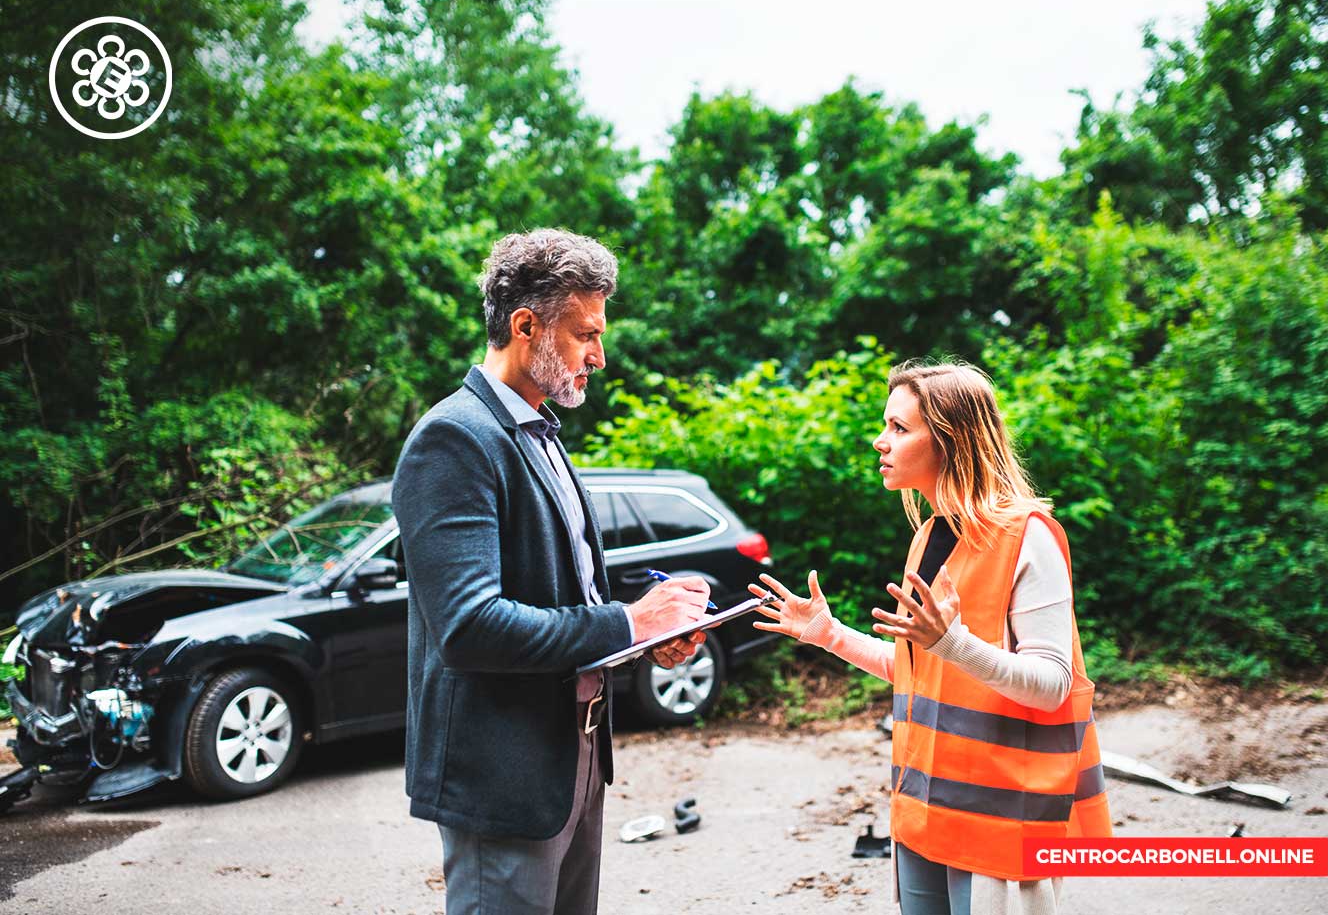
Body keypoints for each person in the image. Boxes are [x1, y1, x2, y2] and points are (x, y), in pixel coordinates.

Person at [391, 228, 709, 915]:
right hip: (503, 777)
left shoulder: (540, 431)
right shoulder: (453, 440)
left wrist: (650, 630)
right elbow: (471, 628)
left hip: (576, 760)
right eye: (584, 334)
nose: (599, 355)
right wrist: (628, 619)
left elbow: (565, 598)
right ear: (525, 325)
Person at [750, 360, 1111, 915]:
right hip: (923, 811)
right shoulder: (930, 536)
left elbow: (1052, 685)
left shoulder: (1029, 536)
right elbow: (923, 673)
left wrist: (954, 644)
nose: (880, 441)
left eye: (899, 428)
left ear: (951, 440)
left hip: (1000, 823)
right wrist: (831, 636)